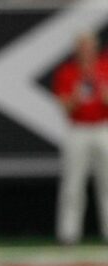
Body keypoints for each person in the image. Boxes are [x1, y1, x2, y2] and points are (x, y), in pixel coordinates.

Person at [53, 31, 108, 244]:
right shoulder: (68, 72)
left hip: (103, 127)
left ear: (96, 48)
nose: (86, 51)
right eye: (82, 47)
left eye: (89, 46)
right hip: (78, 129)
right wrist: (75, 97)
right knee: (73, 183)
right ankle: (69, 234)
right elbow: (65, 107)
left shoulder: (105, 67)